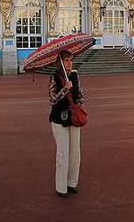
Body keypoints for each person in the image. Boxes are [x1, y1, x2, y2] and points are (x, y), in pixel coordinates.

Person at [48, 51, 85, 198]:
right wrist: (65, 89)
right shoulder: (54, 78)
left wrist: (78, 93)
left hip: (74, 117)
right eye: (67, 60)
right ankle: (61, 187)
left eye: (71, 60)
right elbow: (52, 100)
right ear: (60, 63)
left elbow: (81, 97)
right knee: (62, 154)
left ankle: (71, 183)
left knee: (75, 153)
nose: (70, 63)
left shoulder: (75, 75)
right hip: (59, 119)